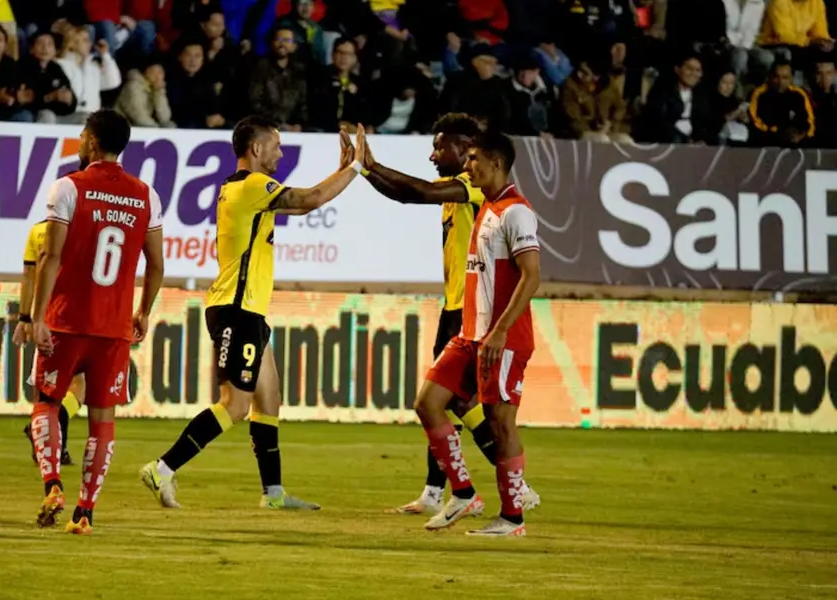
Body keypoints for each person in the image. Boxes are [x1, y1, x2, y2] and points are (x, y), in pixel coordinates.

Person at [139, 116, 359, 511]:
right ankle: (163, 468)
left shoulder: (239, 187)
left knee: (269, 397)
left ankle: (273, 494)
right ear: (256, 149)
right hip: (236, 311)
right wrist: (356, 167)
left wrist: (343, 168)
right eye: (275, 145)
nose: (280, 152)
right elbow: (310, 200)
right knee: (235, 405)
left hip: (249, 310)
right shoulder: (254, 185)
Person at [355, 114, 539, 521]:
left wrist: (371, 165)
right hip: (456, 307)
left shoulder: (475, 189)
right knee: (440, 399)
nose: (433, 154)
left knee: (459, 401)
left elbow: (415, 192)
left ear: (470, 149)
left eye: (443, 147)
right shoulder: (462, 192)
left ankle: (504, 489)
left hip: (472, 314)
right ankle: (438, 490)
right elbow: (410, 194)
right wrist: (362, 169)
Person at [26, 110, 165, 535]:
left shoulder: (67, 187)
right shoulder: (146, 194)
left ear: (90, 142)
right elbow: (156, 264)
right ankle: (85, 512)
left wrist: (36, 317)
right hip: (113, 328)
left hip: (66, 320)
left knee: (47, 401)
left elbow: (50, 258)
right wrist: (143, 311)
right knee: (102, 419)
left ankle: (52, 483)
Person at [410, 130, 542, 537]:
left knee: (501, 424)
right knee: (428, 403)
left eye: (474, 160)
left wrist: (500, 331)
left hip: (501, 338)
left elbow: (532, 276)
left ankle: (513, 518)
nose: (468, 167)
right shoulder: (487, 207)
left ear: (496, 163)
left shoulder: (516, 212)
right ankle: (464, 492)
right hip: (470, 336)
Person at [15, 221, 83, 468]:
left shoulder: (37, 231)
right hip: (75, 315)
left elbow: (29, 276)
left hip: (45, 317)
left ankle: (47, 448)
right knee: (77, 387)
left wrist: (25, 317)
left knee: (44, 391)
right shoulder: (81, 229)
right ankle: (48, 440)